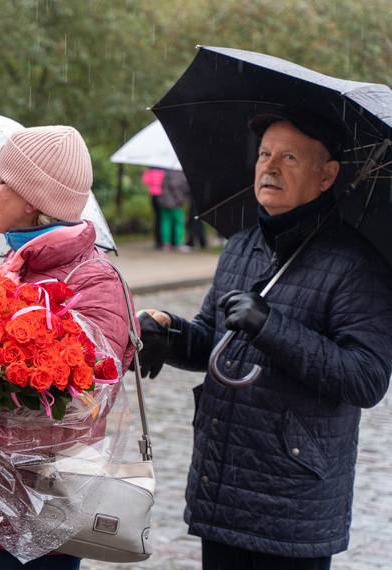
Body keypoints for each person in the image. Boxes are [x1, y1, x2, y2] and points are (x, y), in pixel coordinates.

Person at [135, 108, 392, 569]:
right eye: (265, 154)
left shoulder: (357, 264)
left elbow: (366, 379)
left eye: (290, 158)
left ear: (327, 175)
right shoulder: (242, 245)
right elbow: (215, 342)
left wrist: (271, 327)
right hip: (223, 485)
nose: (269, 167)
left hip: (292, 505)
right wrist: (169, 335)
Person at [0, 125, 138, 570]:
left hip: (39, 515)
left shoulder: (95, 281)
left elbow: (80, 405)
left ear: (29, 201)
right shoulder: (16, 264)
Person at [159, 169, 189, 250]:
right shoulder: (179, 176)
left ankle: (166, 243)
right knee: (179, 223)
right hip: (176, 204)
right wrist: (181, 200)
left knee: (165, 223)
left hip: (164, 203)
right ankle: (179, 243)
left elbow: (162, 188)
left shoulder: (166, 174)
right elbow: (179, 189)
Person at [141, 168, 165, 249]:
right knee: (163, 219)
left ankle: (158, 241)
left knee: (157, 218)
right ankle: (164, 240)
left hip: (154, 196)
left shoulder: (150, 171)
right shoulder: (163, 171)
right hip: (163, 196)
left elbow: (145, 181)